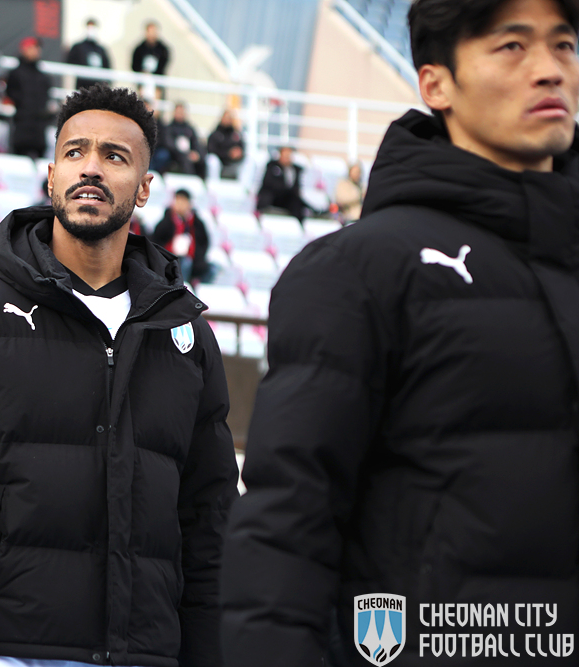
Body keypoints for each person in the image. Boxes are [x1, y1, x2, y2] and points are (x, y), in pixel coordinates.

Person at [220, 0, 579, 666]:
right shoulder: (360, 269)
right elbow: (287, 526)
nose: (550, 69)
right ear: (436, 83)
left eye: (564, 45)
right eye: (512, 46)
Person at [0, 84, 238, 667]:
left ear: (144, 188)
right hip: (2, 652)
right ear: (52, 176)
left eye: (115, 156)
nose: (91, 168)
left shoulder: (186, 335)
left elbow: (210, 520)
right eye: (75, 152)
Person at [151, 188, 213, 285]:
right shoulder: (166, 222)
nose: (180, 205)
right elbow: (156, 242)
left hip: (194, 261)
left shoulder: (197, 224)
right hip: (169, 260)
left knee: (213, 268)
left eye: (183, 202)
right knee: (184, 263)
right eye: (178, 201)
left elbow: (204, 243)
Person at [6, 37, 53, 159]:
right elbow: (11, 94)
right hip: (21, 127)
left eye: (37, 48)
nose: (35, 51)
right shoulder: (16, 73)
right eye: (32, 48)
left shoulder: (43, 77)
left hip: (39, 130)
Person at [256, 146, 310, 224]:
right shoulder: (272, 166)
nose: (286, 158)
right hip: (274, 196)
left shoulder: (296, 169)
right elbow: (268, 183)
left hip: (287, 198)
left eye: (288, 156)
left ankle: (302, 224)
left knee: (296, 203)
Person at [160, 102, 207, 179]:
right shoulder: (169, 128)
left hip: (189, 154)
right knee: (185, 160)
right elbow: (168, 143)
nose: (180, 114)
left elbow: (196, 143)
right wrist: (185, 153)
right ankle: (189, 180)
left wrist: (197, 154)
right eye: (178, 112)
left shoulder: (190, 129)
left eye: (182, 112)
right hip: (175, 155)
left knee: (202, 160)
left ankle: (203, 181)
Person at [67, 19, 112, 91]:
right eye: (89, 27)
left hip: (98, 87)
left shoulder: (101, 50)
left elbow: (107, 68)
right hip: (82, 85)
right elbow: (70, 62)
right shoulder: (78, 47)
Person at [131, 21, 170, 98]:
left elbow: (163, 67)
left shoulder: (163, 50)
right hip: (142, 84)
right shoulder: (139, 49)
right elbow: (135, 65)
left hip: (157, 85)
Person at [207, 109, 246, 180]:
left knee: (249, 161)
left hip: (235, 163)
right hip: (221, 163)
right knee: (212, 160)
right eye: (226, 117)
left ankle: (245, 186)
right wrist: (228, 154)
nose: (228, 120)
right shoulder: (215, 135)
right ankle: (213, 184)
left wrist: (239, 154)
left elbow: (242, 148)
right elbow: (211, 150)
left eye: (230, 118)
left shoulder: (236, 134)